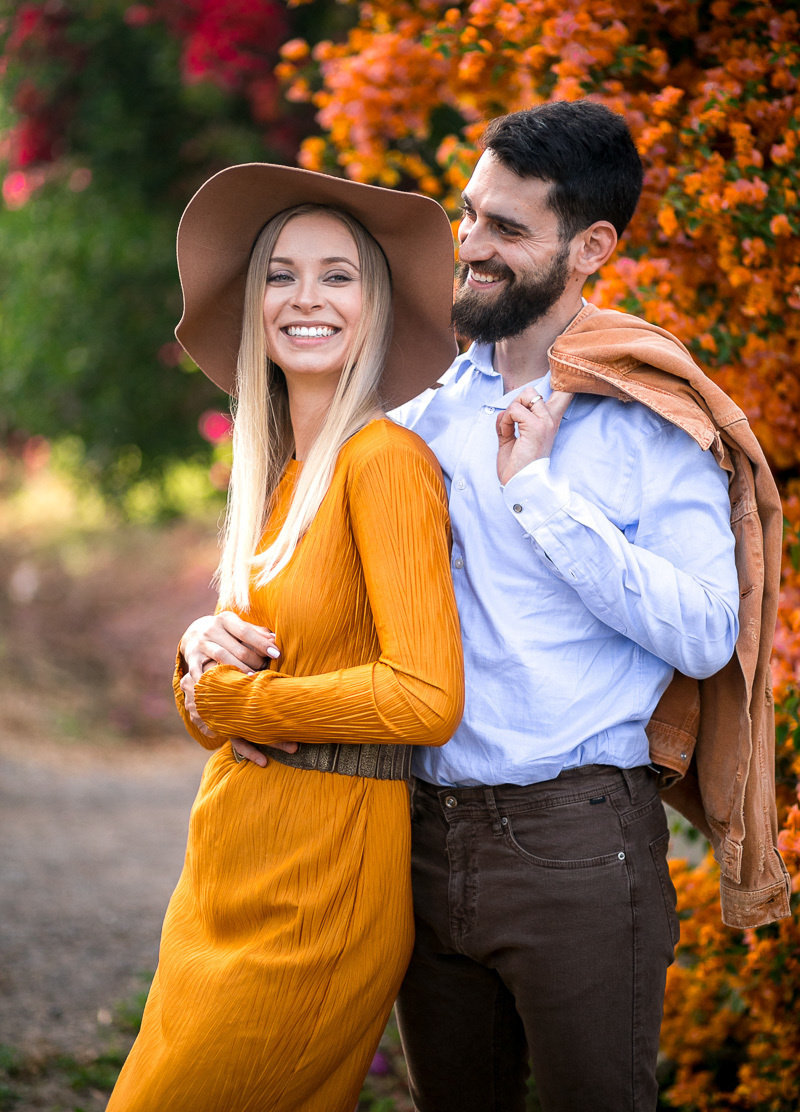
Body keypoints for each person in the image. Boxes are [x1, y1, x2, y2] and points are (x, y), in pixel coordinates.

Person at [184, 101, 789, 1111]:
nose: (469, 248)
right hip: (411, 841)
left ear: (590, 247)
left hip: (576, 848)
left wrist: (539, 496)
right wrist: (209, 636)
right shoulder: (413, 419)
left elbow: (704, 630)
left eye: (505, 229)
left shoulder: (646, 421)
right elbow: (328, 603)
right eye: (467, 217)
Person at [106, 164, 464, 1112]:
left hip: (323, 887)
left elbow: (427, 697)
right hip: (227, 872)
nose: (306, 298)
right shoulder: (280, 480)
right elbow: (238, 696)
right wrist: (198, 661)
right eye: (281, 274)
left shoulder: (385, 462)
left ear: (377, 303)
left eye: (338, 275)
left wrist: (242, 700)